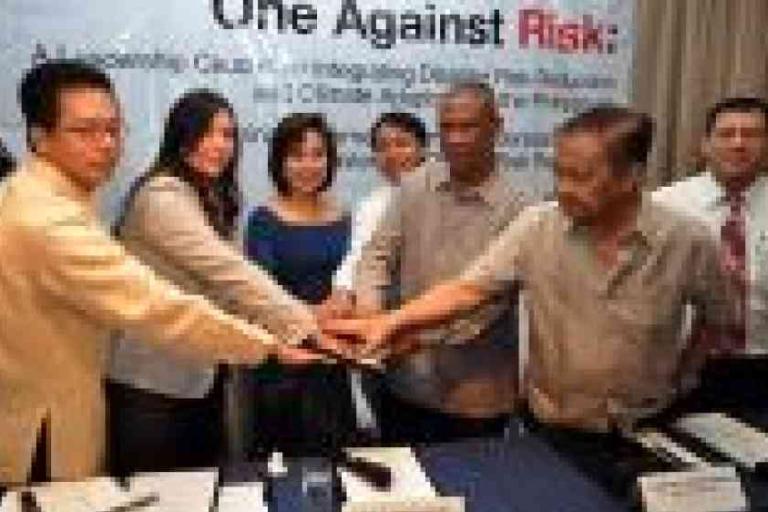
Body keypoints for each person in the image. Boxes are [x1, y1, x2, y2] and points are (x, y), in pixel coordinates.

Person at [0, 60, 324, 485]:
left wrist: (297, 322)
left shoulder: (53, 196)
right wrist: (277, 339)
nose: (106, 144)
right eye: (85, 131)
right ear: (39, 138)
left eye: (114, 129)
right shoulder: (54, 216)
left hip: (150, 385)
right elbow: (160, 304)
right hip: (88, 412)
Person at [325, 105, 734, 435]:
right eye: (559, 172)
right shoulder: (538, 225)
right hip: (553, 427)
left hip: (647, 427)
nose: (563, 188)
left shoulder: (689, 240)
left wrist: (684, 375)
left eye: (580, 177)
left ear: (631, 176)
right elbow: (468, 290)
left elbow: (715, 320)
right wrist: (391, 321)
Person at [107, 89, 322, 472]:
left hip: (200, 378)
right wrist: (302, 324)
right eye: (206, 133)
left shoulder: (206, 197)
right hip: (151, 387)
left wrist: (301, 324)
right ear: (181, 136)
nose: (219, 145)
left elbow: (230, 293)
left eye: (227, 134)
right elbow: (229, 272)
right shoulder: (162, 196)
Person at [339, 82, 532, 444]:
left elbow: (487, 303)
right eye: (447, 127)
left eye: (467, 126)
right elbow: (376, 255)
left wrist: (406, 335)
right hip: (403, 385)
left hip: (476, 396)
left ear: (497, 127)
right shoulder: (413, 186)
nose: (456, 138)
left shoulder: (520, 208)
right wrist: (369, 310)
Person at [244, 113, 353, 455]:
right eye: (296, 155)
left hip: (335, 359)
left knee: (338, 460)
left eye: (317, 154)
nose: (309, 165)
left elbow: (353, 282)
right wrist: (319, 314)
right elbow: (260, 299)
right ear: (279, 162)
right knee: (286, 464)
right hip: (284, 363)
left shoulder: (344, 215)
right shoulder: (263, 220)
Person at [653, 97, 768, 408]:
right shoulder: (663, 206)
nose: (739, 143)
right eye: (727, 133)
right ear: (705, 144)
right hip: (680, 366)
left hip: (761, 365)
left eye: (752, 134)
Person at [330, 112, 427, 436]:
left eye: (402, 144)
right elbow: (357, 256)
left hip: (431, 336)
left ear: (423, 149)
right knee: (389, 431)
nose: (392, 154)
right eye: (383, 147)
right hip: (380, 338)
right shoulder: (371, 204)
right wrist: (343, 292)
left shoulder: (442, 200)